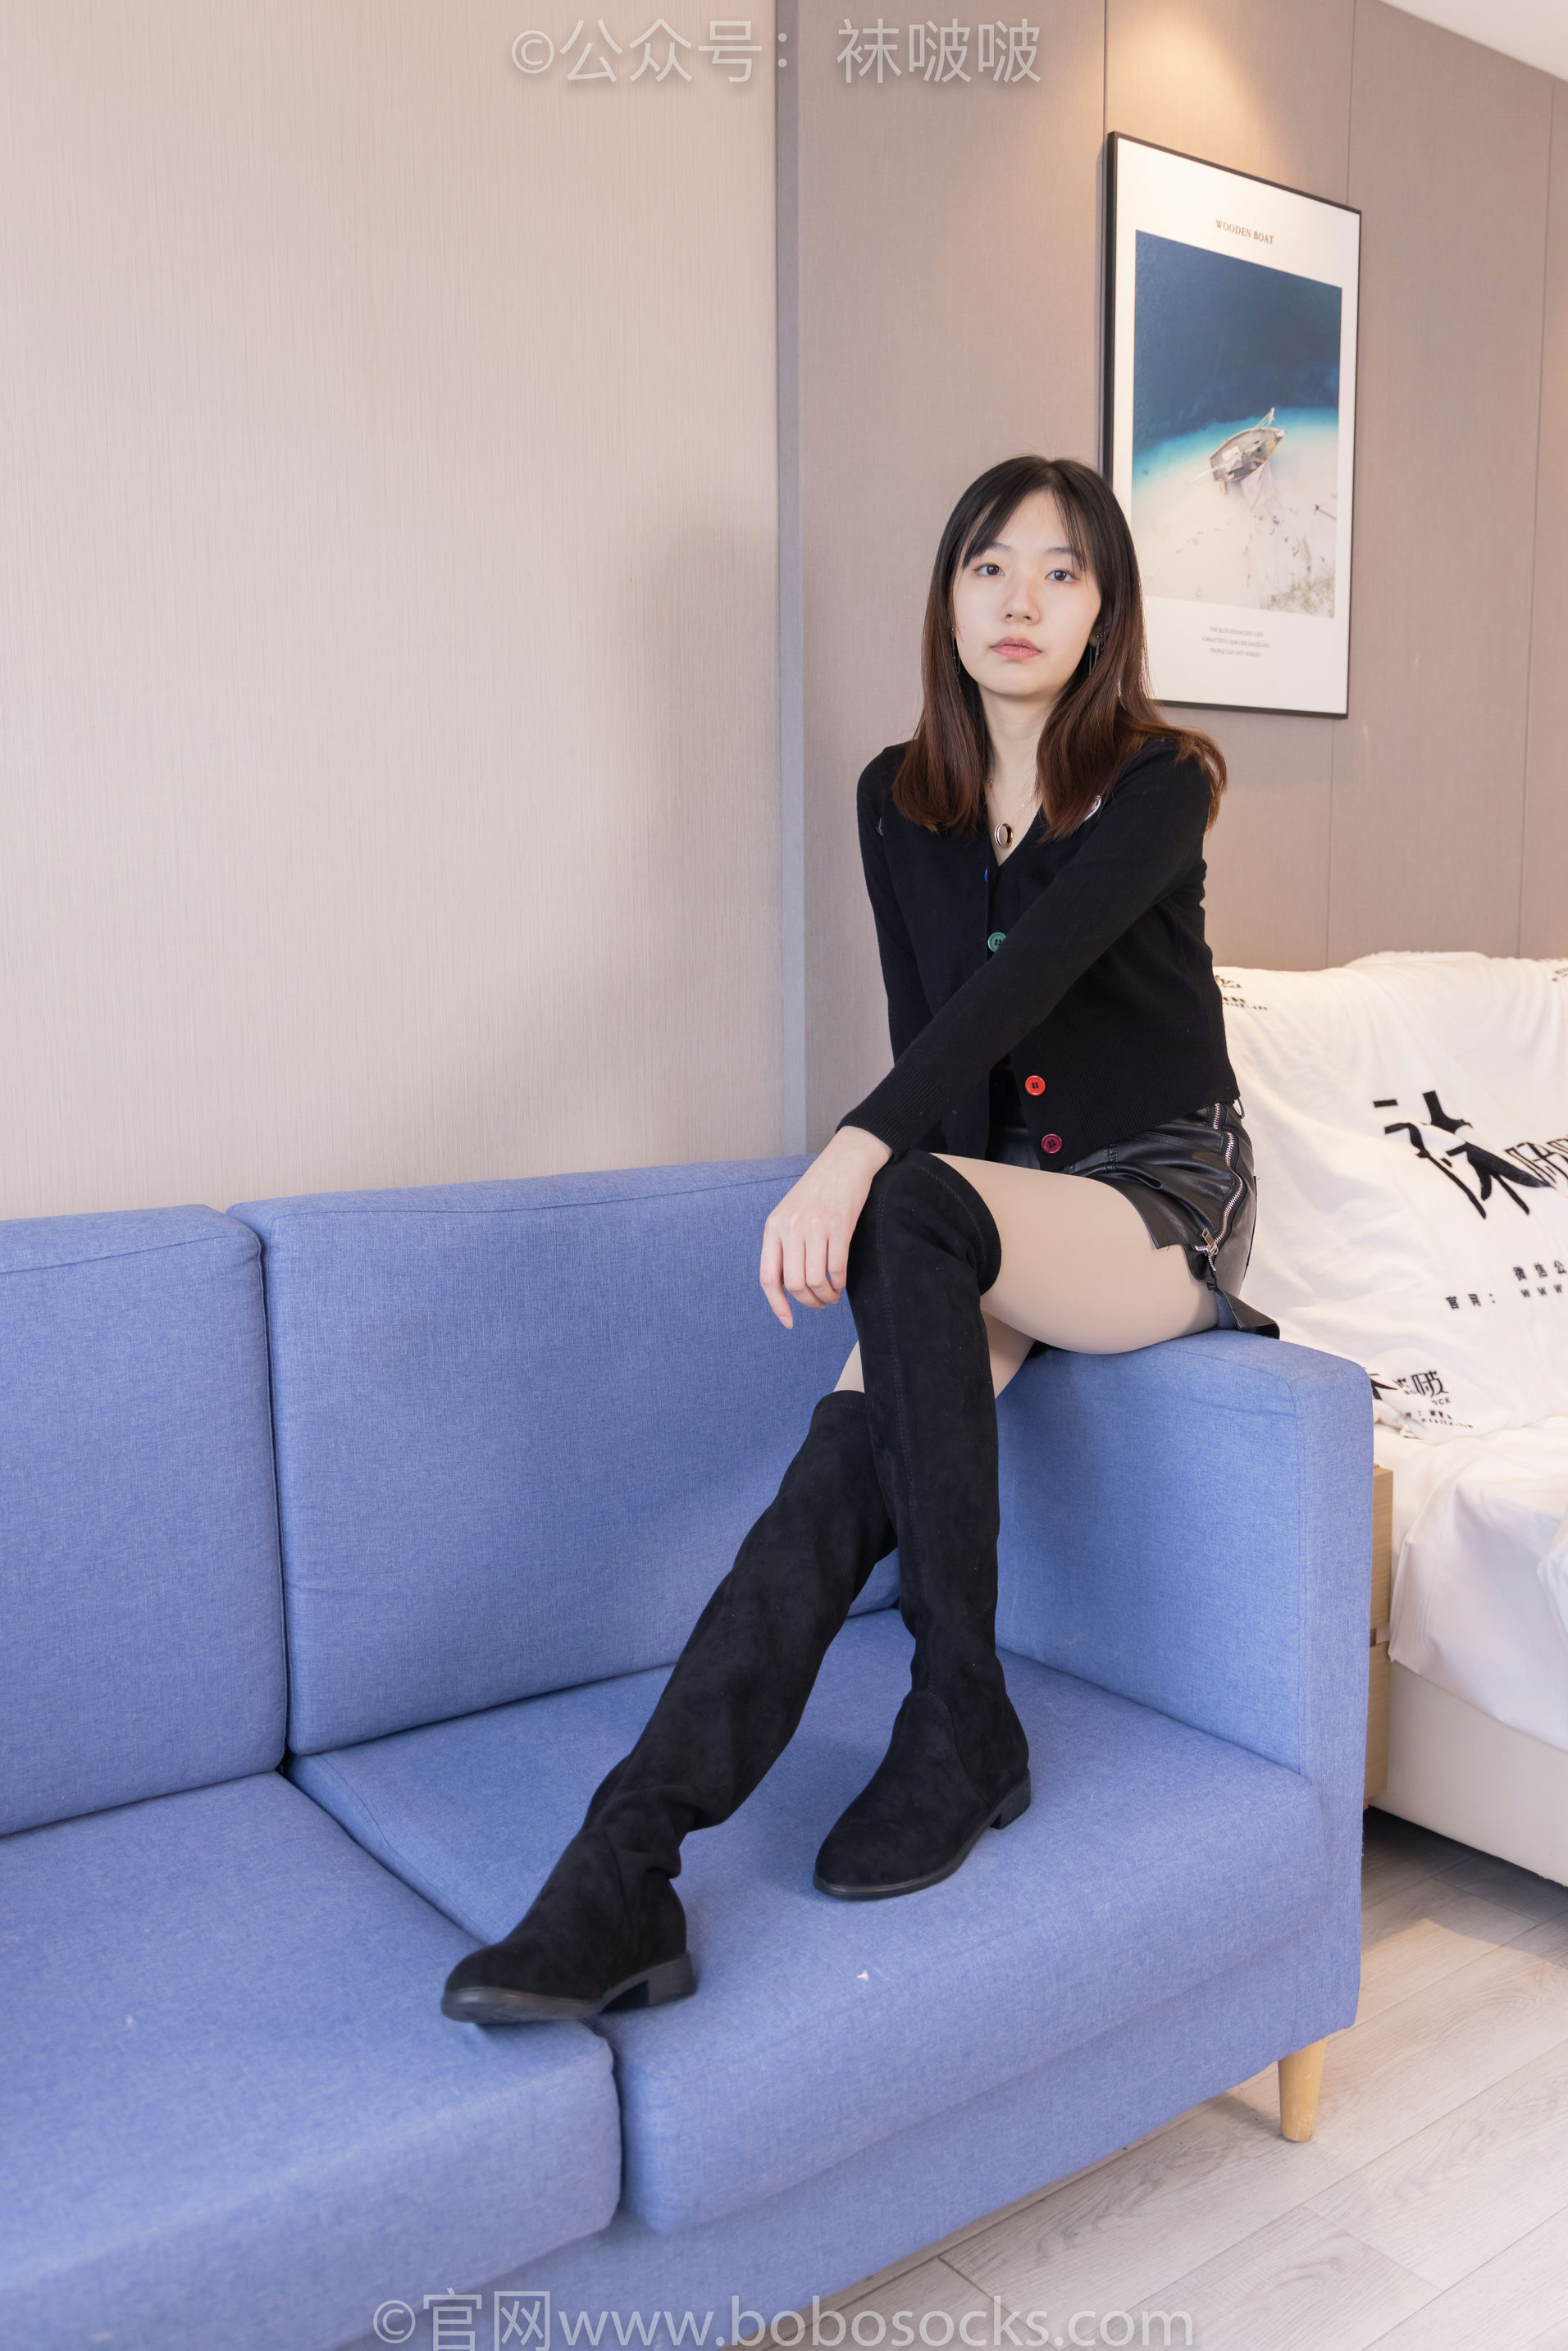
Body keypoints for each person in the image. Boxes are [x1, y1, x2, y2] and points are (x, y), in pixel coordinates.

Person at [441, 453, 1276, 2026]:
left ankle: (959, 1710)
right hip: (977, 1201)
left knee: (904, 1199)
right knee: (836, 1468)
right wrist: (896, 1181)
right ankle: (621, 1873)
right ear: (946, 595)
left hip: (1154, 1194)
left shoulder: (1162, 780)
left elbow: (1021, 985)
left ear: (1107, 609)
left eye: (1063, 571)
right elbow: (933, 1043)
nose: (1021, 600)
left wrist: (855, 1156)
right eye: (989, 565)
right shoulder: (897, 799)